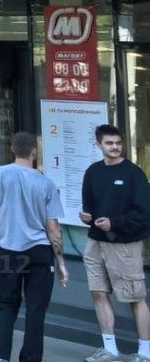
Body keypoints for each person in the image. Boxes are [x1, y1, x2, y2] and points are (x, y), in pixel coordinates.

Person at [0, 131, 68, 362]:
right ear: (34, 152)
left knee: (5, 304)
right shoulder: (46, 183)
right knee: (36, 309)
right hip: (40, 252)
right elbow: (53, 228)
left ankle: (1, 357)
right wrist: (60, 262)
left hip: (9, 248)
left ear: (12, 150)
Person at [78, 123, 150, 362]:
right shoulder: (93, 172)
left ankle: (145, 353)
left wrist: (114, 223)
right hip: (95, 242)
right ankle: (110, 349)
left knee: (135, 297)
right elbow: (89, 207)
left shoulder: (133, 173)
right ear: (99, 144)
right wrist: (86, 217)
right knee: (98, 293)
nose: (115, 147)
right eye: (109, 143)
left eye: (118, 143)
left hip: (125, 244)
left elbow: (144, 214)